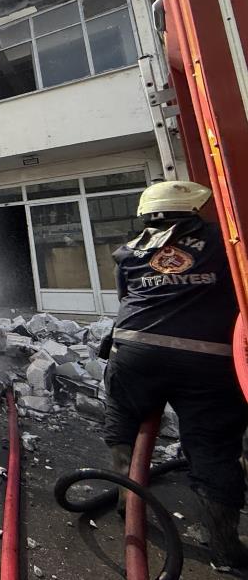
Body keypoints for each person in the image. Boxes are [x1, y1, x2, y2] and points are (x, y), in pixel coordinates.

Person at [103, 180, 248, 570]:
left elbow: (126, 299)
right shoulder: (226, 242)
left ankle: (126, 504)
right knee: (213, 450)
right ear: (194, 208)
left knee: (124, 427)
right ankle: (225, 548)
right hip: (207, 361)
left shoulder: (131, 250)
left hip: (135, 352)